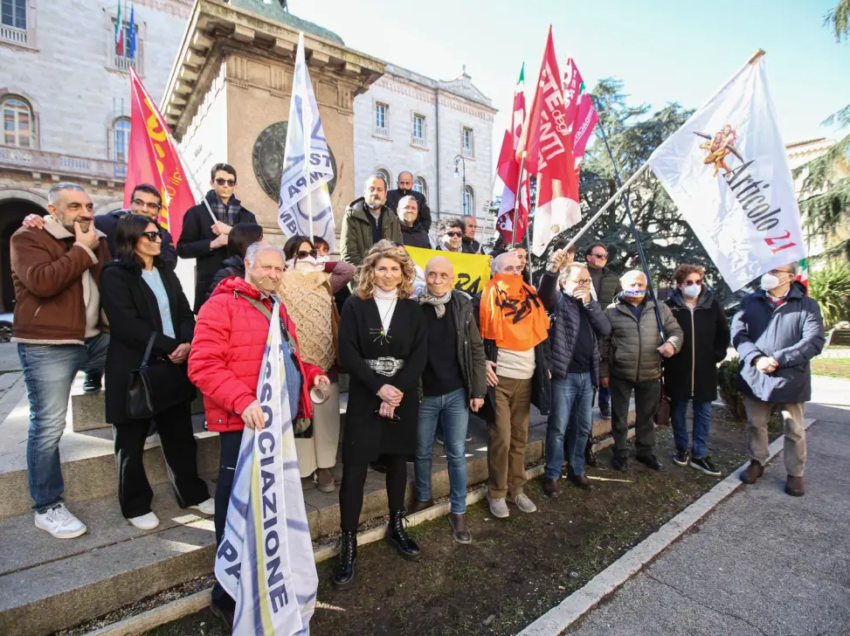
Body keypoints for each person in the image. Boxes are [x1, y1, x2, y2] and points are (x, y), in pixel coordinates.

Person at [188, 243, 328, 625]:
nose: (273, 273)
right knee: (236, 503)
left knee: (268, 502)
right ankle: (227, 592)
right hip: (243, 423)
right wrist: (242, 400)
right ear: (247, 265)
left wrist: (313, 376)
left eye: (279, 268)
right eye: (266, 266)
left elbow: (288, 357)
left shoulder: (278, 308)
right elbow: (202, 365)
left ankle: (265, 574)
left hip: (276, 425)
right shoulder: (221, 305)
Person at [100, 214, 214, 529]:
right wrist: (169, 345)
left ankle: (192, 493)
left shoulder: (165, 271)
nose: (157, 238)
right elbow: (126, 324)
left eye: (159, 232)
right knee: (130, 440)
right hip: (134, 369)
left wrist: (187, 341)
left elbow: (182, 311)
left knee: (179, 435)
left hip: (171, 365)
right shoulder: (115, 275)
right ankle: (135, 505)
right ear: (131, 238)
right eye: (150, 234)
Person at [11, 183, 110, 539]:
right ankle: (46, 506)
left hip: (95, 338)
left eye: (88, 205)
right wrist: (83, 250)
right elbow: (43, 282)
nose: (84, 212)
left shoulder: (98, 237)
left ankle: (128, 413)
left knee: (138, 355)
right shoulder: (28, 236)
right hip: (48, 344)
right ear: (54, 211)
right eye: (74, 207)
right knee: (49, 425)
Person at [19, 183, 177, 393]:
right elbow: (46, 273)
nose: (145, 209)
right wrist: (37, 219)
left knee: (146, 354)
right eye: (139, 202)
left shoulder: (161, 235)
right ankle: (95, 376)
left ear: (158, 211)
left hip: (119, 321)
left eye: (152, 205)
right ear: (130, 203)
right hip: (64, 334)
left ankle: (145, 409)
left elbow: (168, 263)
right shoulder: (103, 226)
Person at [333, 240, 427, 590]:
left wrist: (397, 390)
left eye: (394, 269)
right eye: (381, 268)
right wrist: (379, 389)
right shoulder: (356, 306)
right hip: (365, 394)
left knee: (397, 462)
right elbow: (348, 353)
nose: (388, 275)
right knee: (355, 468)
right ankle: (348, 541)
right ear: (370, 270)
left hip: (403, 395)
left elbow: (419, 354)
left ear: (404, 273)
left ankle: (397, 526)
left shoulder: (412, 309)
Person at [732, 263, 824, 497]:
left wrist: (779, 359)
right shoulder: (750, 301)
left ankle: (795, 474)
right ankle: (756, 461)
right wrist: (756, 358)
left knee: (794, 429)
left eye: (774, 272)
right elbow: (738, 334)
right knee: (756, 424)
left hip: (790, 379)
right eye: (766, 270)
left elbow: (813, 341)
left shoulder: (806, 305)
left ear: (790, 277)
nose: (768, 275)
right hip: (756, 375)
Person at [411, 256, 486, 544]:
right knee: (421, 450)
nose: (437, 280)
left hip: (456, 392)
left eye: (444, 275)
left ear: (452, 279)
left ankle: (459, 510)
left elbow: (475, 348)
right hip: (424, 394)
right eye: (432, 274)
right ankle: (423, 496)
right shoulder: (414, 305)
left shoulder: (462, 304)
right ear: (425, 276)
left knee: (456, 453)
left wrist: (477, 391)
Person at [475, 252, 551, 519]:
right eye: (508, 268)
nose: (515, 273)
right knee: (501, 438)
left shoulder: (532, 298)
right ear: (495, 271)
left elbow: (542, 338)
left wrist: (546, 366)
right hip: (499, 382)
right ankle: (496, 492)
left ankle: (516, 489)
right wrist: (483, 362)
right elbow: (473, 339)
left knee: (520, 438)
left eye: (519, 268)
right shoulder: (482, 299)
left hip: (527, 379)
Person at [279, 235, 355, 493]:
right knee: (302, 420)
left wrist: (322, 262)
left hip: (326, 361)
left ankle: (325, 467)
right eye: (301, 254)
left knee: (327, 418)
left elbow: (348, 270)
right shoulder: (281, 280)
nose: (309, 257)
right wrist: (286, 265)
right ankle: (304, 467)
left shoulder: (324, 281)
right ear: (289, 256)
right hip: (297, 362)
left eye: (311, 252)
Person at [540, 257, 611, 497]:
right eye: (579, 280)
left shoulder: (590, 303)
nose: (583, 284)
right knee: (558, 428)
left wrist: (590, 303)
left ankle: (576, 469)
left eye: (587, 280)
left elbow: (605, 329)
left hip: (586, 376)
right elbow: (546, 294)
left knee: (583, 427)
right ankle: (551, 474)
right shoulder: (559, 301)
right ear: (564, 282)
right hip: (564, 376)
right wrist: (552, 273)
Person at [601, 270, 683, 472]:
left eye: (640, 284)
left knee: (646, 416)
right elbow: (603, 344)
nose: (636, 288)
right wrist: (603, 372)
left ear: (646, 286)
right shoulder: (611, 311)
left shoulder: (659, 308)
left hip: (651, 372)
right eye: (632, 284)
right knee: (619, 416)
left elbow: (676, 331)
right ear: (622, 285)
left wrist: (672, 345)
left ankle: (645, 451)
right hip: (620, 373)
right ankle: (619, 451)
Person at [663, 264, 730, 477]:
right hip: (678, 369)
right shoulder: (669, 307)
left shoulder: (712, 306)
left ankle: (700, 454)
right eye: (689, 282)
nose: (695, 286)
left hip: (705, 369)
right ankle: (681, 449)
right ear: (680, 284)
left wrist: (717, 355)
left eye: (698, 282)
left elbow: (723, 333)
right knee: (679, 410)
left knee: (704, 412)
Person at [177, 163, 257, 313]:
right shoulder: (197, 213)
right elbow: (182, 249)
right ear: (212, 182)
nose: (225, 186)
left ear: (235, 185)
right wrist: (211, 244)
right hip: (210, 284)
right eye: (220, 181)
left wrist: (232, 232)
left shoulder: (247, 215)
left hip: (241, 283)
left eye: (230, 182)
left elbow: (258, 245)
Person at [584, 243, 621, 418]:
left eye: (605, 255)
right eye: (599, 255)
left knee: (605, 363)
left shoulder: (613, 278)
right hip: (584, 326)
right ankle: (585, 406)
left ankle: (604, 403)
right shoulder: (580, 274)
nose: (603, 258)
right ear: (588, 257)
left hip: (605, 327)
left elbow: (620, 301)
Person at [340, 175, 403, 267]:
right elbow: (348, 256)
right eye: (371, 189)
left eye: (379, 189)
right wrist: (371, 272)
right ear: (365, 192)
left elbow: (398, 252)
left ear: (385, 194)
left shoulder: (393, 219)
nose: (375, 193)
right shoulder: (352, 216)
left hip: (386, 277)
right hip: (361, 277)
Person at [205, 222, 264, 300]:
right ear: (250, 242)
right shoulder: (226, 274)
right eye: (261, 237)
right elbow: (214, 306)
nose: (265, 241)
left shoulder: (264, 270)